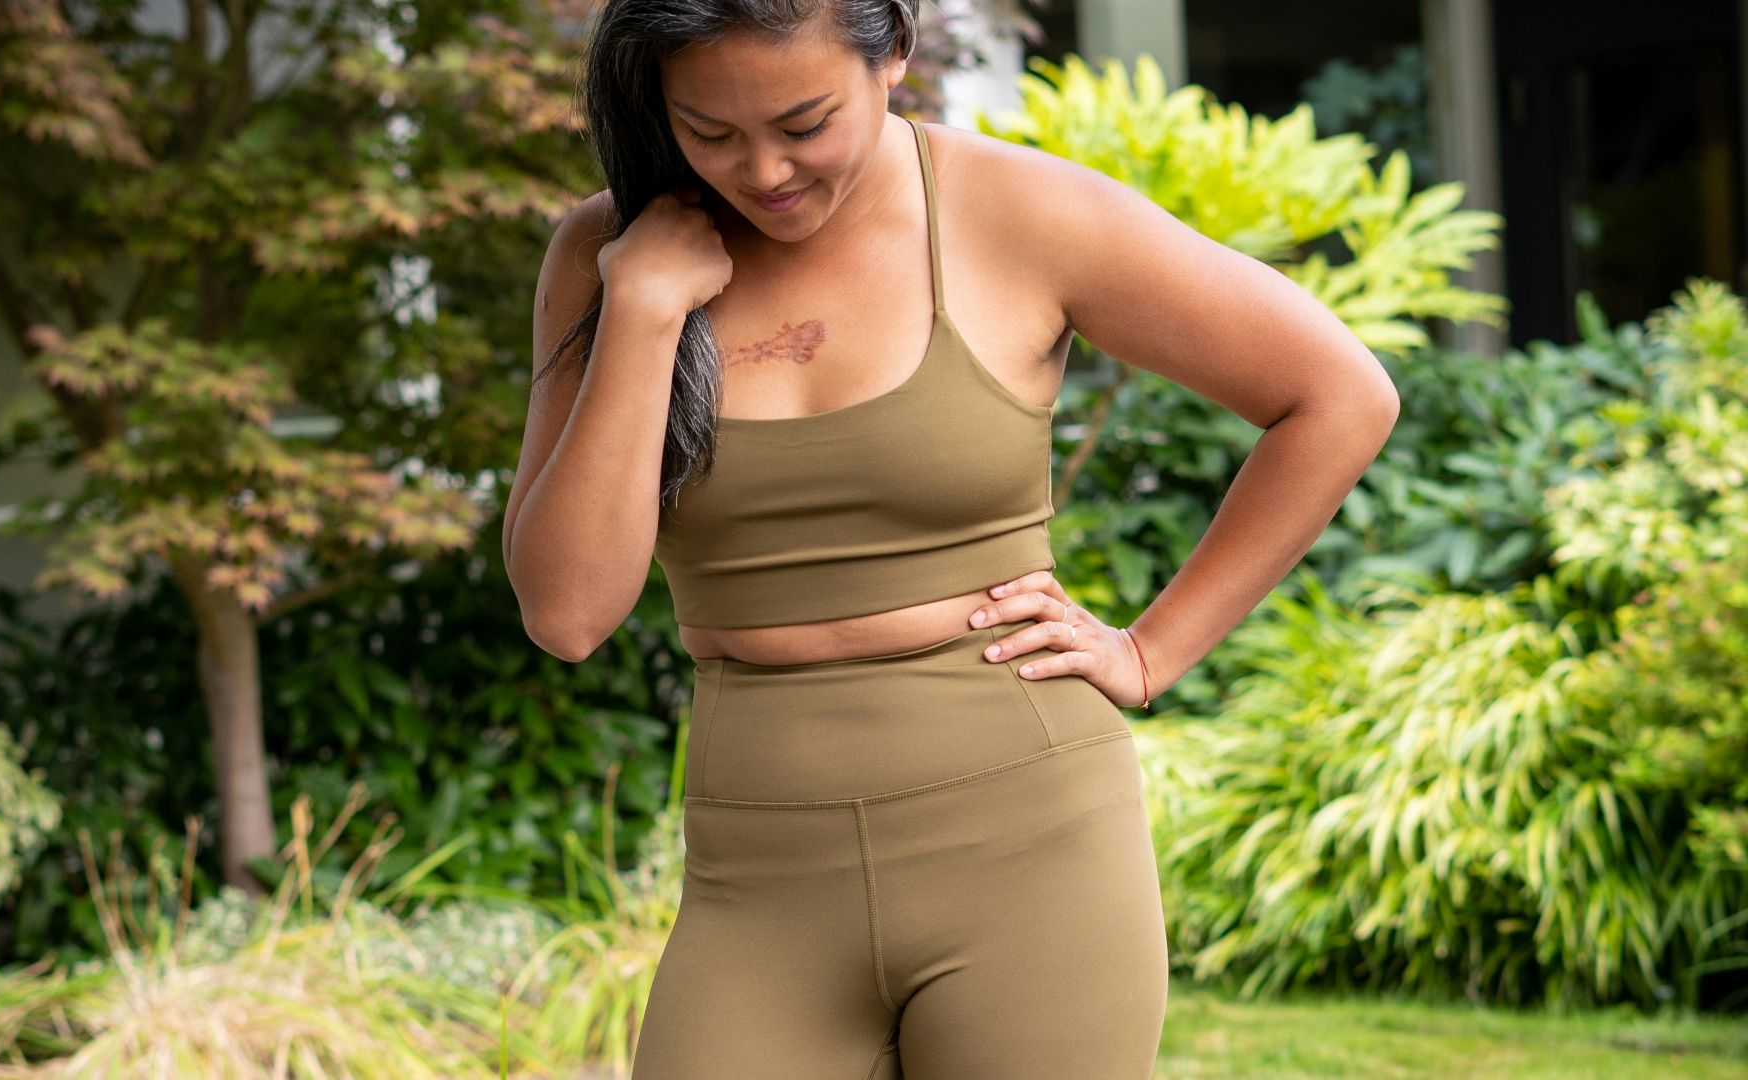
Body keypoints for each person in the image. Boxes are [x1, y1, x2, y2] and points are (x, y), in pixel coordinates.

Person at [501, 0, 1400, 1074]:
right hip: (759, 879)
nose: (765, 171)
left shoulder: (1020, 211)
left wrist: (1153, 650)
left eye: (804, 122)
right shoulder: (608, 255)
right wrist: (644, 310)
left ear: (896, 57)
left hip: (1033, 848)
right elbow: (566, 614)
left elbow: (1338, 394)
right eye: (711, 132)